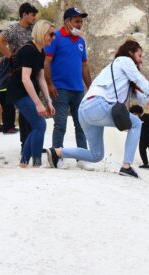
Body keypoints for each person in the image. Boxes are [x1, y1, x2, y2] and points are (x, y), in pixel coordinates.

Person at [44, 40, 149, 179]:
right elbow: (144, 84)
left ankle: (57, 152)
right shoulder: (124, 60)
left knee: (96, 155)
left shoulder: (118, 74)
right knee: (136, 123)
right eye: (139, 56)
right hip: (98, 105)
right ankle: (126, 166)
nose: (141, 61)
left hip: (85, 110)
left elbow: (144, 98)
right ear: (130, 53)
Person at [44, 7, 92, 170]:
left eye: (81, 22)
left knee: (82, 124)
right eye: (77, 21)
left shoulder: (81, 41)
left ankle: (82, 158)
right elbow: (47, 62)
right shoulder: (55, 37)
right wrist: (50, 84)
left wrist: (90, 88)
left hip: (78, 90)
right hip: (60, 90)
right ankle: (57, 158)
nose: (80, 25)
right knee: (60, 124)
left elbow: (84, 66)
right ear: (67, 21)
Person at [7, 20, 55, 168]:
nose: (53, 38)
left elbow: (40, 78)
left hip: (26, 91)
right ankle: (36, 163)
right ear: (42, 33)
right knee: (40, 124)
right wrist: (39, 104)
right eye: (51, 34)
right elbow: (25, 78)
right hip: (18, 91)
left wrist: (48, 101)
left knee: (36, 125)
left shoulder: (40, 51)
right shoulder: (29, 50)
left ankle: (24, 162)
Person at [0, 2, 39, 144]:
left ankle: (34, 142)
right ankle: (25, 144)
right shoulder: (13, 28)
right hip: (20, 73)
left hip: (34, 71)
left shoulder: (33, 29)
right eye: (32, 15)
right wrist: (10, 55)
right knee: (25, 109)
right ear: (24, 14)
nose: (34, 18)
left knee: (34, 108)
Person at [130, 105, 149, 172]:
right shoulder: (137, 118)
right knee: (141, 150)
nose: (134, 115)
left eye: (134, 113)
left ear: (138, 112)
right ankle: (145, 164)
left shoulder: (147, 116)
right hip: (143, 138)